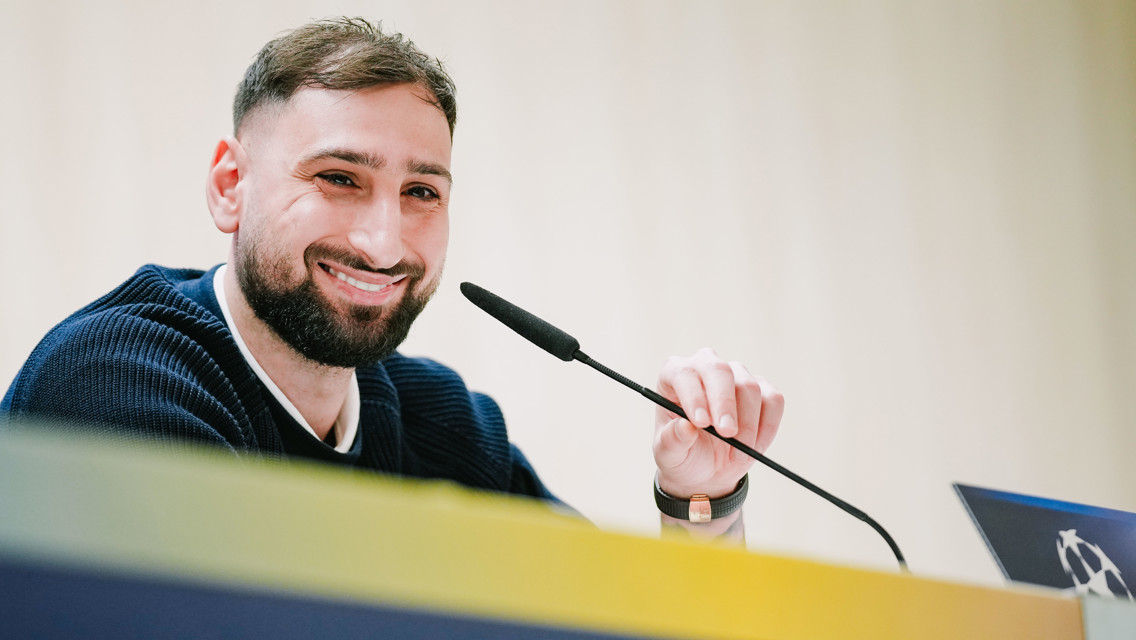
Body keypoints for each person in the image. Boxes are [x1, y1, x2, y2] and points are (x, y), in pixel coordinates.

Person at [0, 17, 782, 533]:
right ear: (231, 186)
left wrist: (697, 498)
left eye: (420, 193)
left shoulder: (439, 419)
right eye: (340, 177)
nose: (382, 243)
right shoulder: (116, 383)